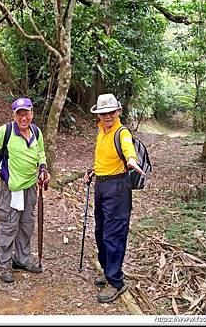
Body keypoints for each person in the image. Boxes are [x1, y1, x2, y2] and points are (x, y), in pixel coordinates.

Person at [0, 98, 50, 284]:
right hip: (11, 189)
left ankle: (22, 260)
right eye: (19, 113)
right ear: (14, 115)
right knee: (8, 226)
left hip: (30, 188)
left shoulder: (36, 132)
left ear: (32, 113)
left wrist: (43, 168)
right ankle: (3, 265)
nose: (23, 117)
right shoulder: (6, 131)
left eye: (26, 113)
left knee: (26, 225)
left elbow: (41, 153)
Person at [83, 93, 146, 303]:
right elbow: (103, 158)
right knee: (100, 230)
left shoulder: (122, 132)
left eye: (111, 112)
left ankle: (116, 281)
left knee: (114, 233)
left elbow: (128, 148)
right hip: (102, 186)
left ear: (118, 111)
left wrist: (131, 160)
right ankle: (107, 269)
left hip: (118, 188)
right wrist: (93, 170)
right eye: (103, 113)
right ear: (98, 115)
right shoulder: (101, 131)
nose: (107, 116)